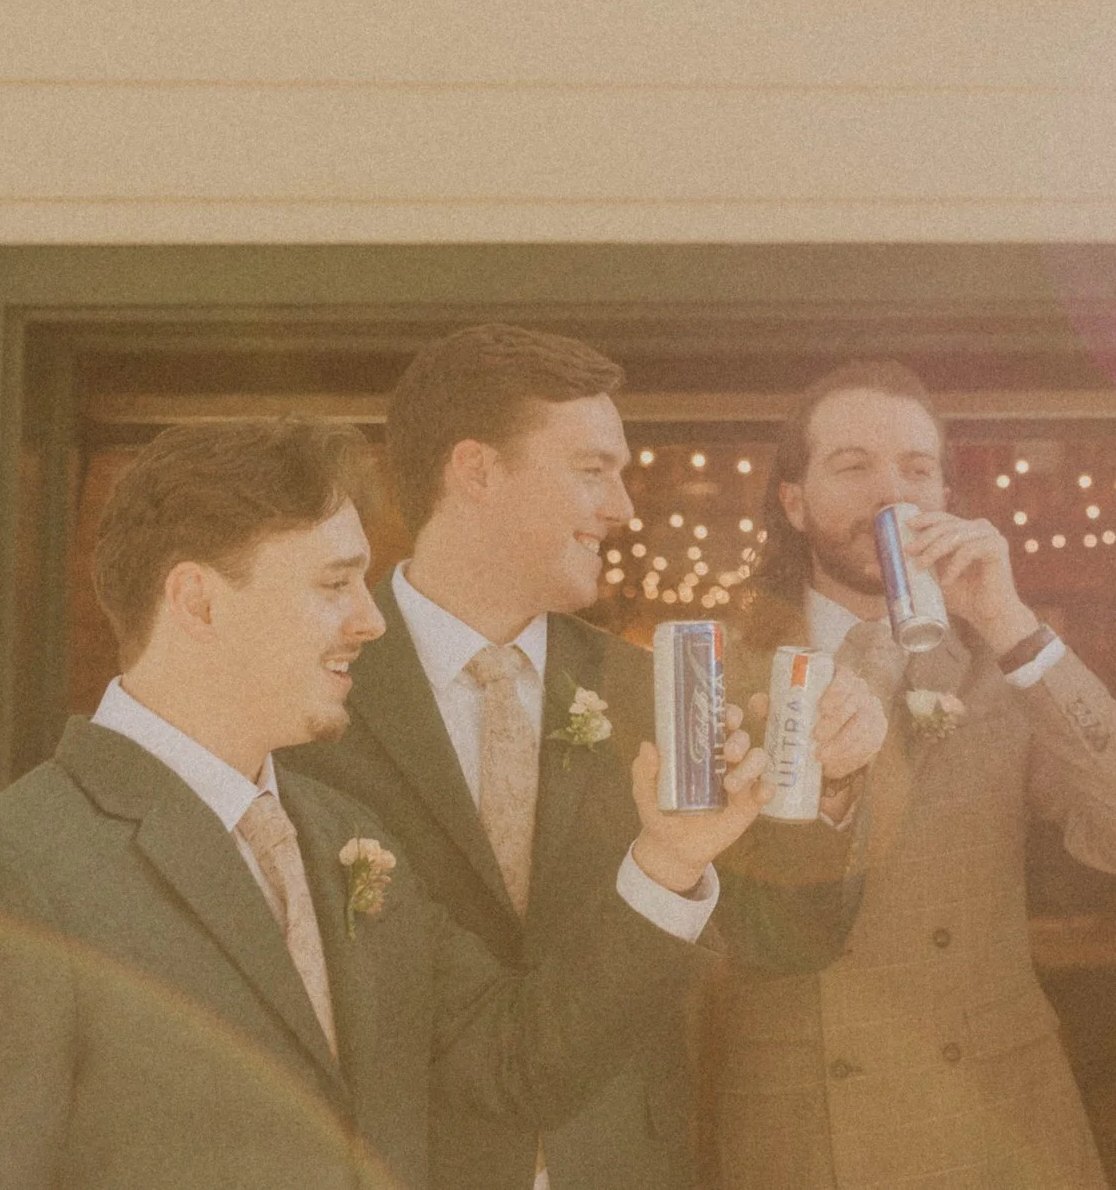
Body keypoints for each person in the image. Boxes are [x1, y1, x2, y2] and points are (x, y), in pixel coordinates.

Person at [0, 417, 772, 1190]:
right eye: (333, 584)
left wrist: (670, 856)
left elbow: (520, 1060)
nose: (372, 619)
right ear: (197, 600)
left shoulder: (345, 836)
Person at [285, 325, 888, 1190]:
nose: (624, 509)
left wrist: (823, 785)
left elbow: (783, 941)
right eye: (592, 469)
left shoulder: (657, 690)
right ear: (479, 471)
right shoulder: (312, 691)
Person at [701, 360, 1116, 1190]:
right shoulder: (721, 668)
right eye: (853, 466)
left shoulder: (1002, 666)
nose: (891, 492)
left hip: (991, 1122)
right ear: (794, 502)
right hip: (801, 1128)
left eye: (917, 469)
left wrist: (1009, 620)